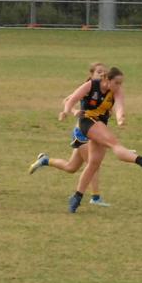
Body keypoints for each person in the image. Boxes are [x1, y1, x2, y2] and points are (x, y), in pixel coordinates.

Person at [60, 67, 142, 213]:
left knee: (93, 164)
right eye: (117, 83)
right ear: (107, 80)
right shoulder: (91, 85)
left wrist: (120, 118)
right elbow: (71, 100)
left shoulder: (116, 91)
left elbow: (120, 106)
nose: (119, 86)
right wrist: (67, 111)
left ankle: (76, 198)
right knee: (113, 143)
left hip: (100, 124)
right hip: (87, 122)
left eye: (121, 83)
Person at [29, 62, 111, 207]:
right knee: (93, 163)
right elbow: (67, 100)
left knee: (71, 167)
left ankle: (45, 160)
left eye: (104, 72)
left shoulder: (105, 90)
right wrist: (73, 111)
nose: (101, 74)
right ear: (91, 74)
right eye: (98, 72)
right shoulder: (88, 86)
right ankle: (95, 197)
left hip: (93, 131)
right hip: (82, 132)